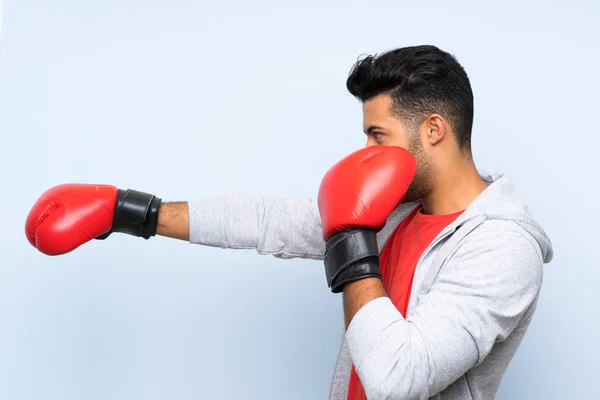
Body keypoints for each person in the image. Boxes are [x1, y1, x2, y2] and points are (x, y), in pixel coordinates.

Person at [25, 45, 553, 400]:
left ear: (433, 129)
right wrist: (133, 212)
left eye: (378, 134)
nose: (365, 152)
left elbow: (399, 376)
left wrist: (349, 237)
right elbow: (266, 220)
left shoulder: (502, 248)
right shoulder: (396, 210)